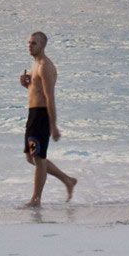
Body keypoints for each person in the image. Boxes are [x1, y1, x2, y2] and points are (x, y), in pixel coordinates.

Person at [19, 31, 76, 206]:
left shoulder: (45, 66)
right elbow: (36, 91)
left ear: (42, 45)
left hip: (41, 116)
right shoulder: (35, 64)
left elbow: (49, 97)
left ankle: (36, 199)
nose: (30, 45)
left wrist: (54, 125)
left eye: (34, 43)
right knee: (31, 157)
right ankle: (67, 180)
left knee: (38, 157)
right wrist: (26, 85)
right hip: (33, 115)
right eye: (29, 42)